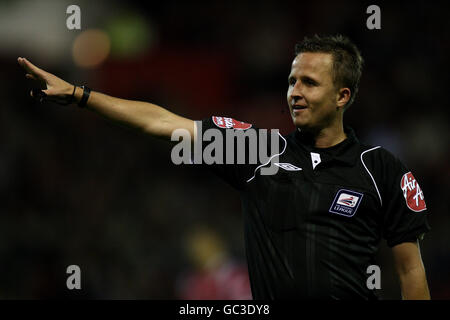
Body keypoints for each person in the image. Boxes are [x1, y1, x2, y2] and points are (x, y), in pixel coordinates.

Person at [17, 34, 431, 300]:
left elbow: (411, 271)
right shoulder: (257, 151)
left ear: (343, 96)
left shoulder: (382, 171)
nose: (295, 93)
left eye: (309, 83)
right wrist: (80, 94)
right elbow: (162, 122)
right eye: (291, 81)